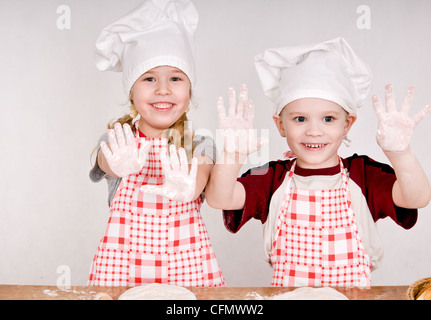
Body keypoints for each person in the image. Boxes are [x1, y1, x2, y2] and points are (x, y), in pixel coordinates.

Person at [205, 37, 431, 287]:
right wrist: (233, 154)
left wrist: (400, 152)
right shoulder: (270, 176)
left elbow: (416, 198)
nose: (314, 131)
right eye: (300, 119)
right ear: (280, 125)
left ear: (347, 124)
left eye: (328, 119)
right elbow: (219, 198)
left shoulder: (363, 174)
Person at [88, 0, 225, 287]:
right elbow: (105, 160)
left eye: (175, 78)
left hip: (187, 275)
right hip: (122, 275)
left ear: (188, 91)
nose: (163, 89)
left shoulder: (200, 145)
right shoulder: (118, 140)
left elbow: (198, 179)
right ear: (131, 91)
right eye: (149, 78)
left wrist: (187, 185)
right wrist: (114, 162)